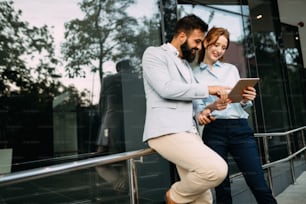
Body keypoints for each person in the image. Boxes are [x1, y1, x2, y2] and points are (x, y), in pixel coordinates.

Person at [142, 14, 230, 204]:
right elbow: (166, 88)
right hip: (166, 131)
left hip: (189, 132)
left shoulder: (185, 65)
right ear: (182, 36)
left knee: (204, 199)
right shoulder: (154, 54)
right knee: (216, 169)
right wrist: (208, 88)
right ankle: (174, 196)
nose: (199, 47)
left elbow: (188, 102)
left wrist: (207, 110)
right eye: (197, 41)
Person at [193, 27, 277, 204]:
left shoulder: (231, 69)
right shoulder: (193, 75)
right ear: (206, 42)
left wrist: (247, 99)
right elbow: (198, 111)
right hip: (214, 130)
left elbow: (241, 102)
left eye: (223, 47)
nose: (219, 50)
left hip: (240, 128)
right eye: (216, 44)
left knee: (258, 182)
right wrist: (210, 107)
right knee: (221, 187)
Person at [95, 60, 134, 192]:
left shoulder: (108, 80)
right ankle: (125, 185)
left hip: (111, 121)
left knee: (100, 161)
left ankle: (119, 183)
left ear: (118, 68)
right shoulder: (137, 80)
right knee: (125, 159)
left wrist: (101, 123)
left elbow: (101, 104)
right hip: (131, 124)